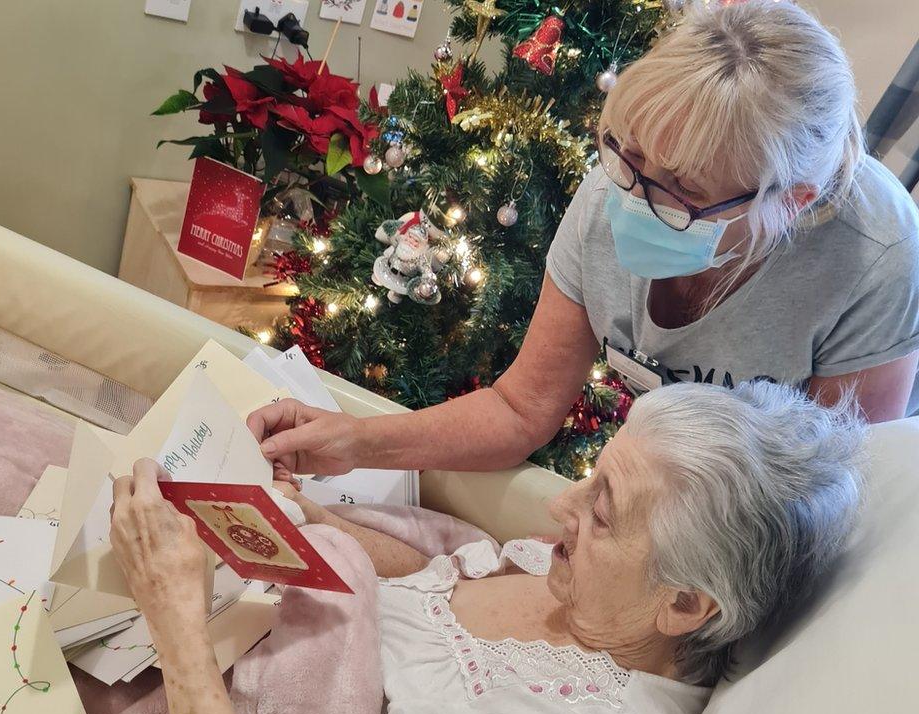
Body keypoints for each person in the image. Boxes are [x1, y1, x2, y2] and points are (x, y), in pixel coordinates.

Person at [245, 1, 918, 485]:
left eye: (679, 188)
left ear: (790, 200)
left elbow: (839, 500)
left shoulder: (874, 254)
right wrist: (355, 441)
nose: (631, 197)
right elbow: (520, 409)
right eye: (624, 154)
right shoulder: (612, 192)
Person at [110, 381, 865, 714]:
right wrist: (303, 524)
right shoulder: (589, 591)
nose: (558, 510)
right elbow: (431, 585)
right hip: (206, 624)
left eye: (599, 512)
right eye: (590, 476)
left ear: (686, 605)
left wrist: (174, 621)